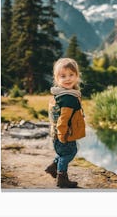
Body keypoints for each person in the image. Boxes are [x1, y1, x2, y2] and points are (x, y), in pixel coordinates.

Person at [45, 58, 86, 188]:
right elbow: (63, 120)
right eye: (63, 76)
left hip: (56, 133)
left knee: (63, 152)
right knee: (69, 153)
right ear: (57, 79)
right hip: (64, 134)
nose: (68, 79)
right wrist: (62, 135)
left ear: (77, 76)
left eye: (71, 75)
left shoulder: (61, 94)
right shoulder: (69, 98)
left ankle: (53, 167)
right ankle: (61, 178)